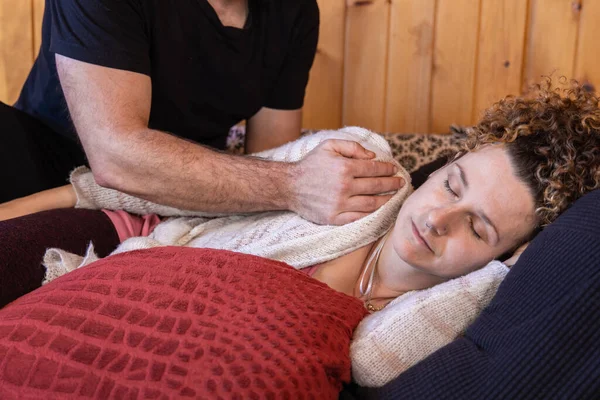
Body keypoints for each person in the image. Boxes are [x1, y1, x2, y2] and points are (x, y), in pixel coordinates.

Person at [2, 79, 599, 313]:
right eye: (451, 183)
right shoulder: (358, 165)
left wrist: (503, 276)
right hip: (127, 241)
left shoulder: (435, 316)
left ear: (504, 258)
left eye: (479, 227)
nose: (440, 218)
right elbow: (165, 190)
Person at [0, 0, 402, 225]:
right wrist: (295, 184)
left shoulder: (293, 12)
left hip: (180, 195)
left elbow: (270, 155)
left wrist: (301, 186)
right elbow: (115, 155)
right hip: (39, 162)